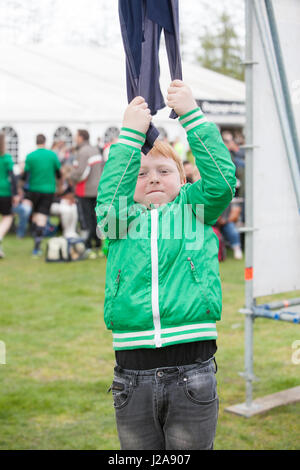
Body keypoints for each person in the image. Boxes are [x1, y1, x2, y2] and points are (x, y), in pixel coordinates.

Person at [96, 80, 236, 450]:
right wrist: (129, 137)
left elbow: (223, 181)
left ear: (182, 177)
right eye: (141, 173)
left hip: (194, 368)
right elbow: (109, 201)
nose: (153, 177)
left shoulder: (195, 209)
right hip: (132, 371)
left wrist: (192, 115)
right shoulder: (120, 221)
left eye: (163, 170)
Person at [21, 134, 62, 257]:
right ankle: (37, 246)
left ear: (36, 142)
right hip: (48, 190)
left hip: (34, 190)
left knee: (36, 215)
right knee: (42, 216)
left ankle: (36, 240)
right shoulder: (52, 155)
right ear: (45, 141)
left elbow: (25, 176)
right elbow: (59, 174)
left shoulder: (30, 156)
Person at [70, 130, 104, 258]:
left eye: (75, 136)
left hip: (85, 190)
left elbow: (81, 173)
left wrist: (71, 176)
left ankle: (88, 245)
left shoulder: (83, 151)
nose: (74, 138)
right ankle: (98, 245)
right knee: (96, 218)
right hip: (97, 188)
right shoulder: (95, 149)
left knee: (87, 219)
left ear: (81, 137)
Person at [0, 132, 18, 258]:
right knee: (7, 217)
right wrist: (15, 193)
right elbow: (13, 176)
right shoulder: (6, 158)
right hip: (4, 191)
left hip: (4, 191)